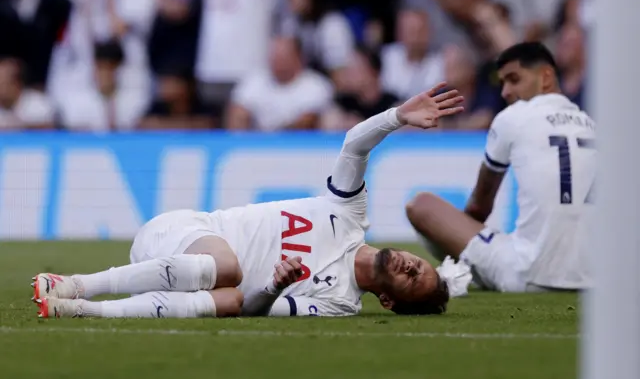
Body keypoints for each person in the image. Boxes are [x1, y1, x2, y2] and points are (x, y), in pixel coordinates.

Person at [32, 83, 465, 319]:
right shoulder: (349, 215)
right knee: (229, 269)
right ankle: (79, 282)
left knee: (232, 301)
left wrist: (274, 286)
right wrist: (397, 118)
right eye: (420, 265)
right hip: (176, 235)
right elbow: (354, 147)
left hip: (175, 284)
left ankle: (78, 308)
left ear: (388, 302)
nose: (411, 266)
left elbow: (258, 311)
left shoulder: (338, 305)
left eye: (413, 280)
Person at [406, 42, 596, 293]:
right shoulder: (594, 125)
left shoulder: (512, 118)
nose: (505, 91)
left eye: (514, 80)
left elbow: (478, 207)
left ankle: (460, 272)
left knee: (421, 205)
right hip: (595, 277)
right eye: (502, 82)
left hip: (529, 273)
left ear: (546, 77)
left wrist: (465, 238)